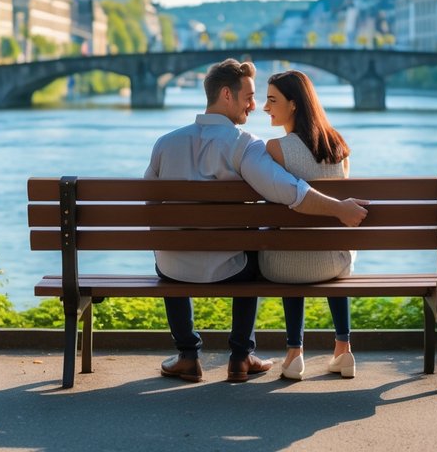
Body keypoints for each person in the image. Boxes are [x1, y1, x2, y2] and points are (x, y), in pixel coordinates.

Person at [145, 59, 368, 384]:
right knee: (250, 254)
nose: (255, 106)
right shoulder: (243, 145)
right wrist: (338, 209)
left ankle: (187, 355)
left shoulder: (165, 143)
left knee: (167, 252)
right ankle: (240, 357)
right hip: (228, 267)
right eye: (249, 96)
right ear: (226, 95)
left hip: (173, 268)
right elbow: (287, 190)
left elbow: (150, 205)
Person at [260, 69, 357, 381]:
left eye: (272, 100)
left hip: (284, 267)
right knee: (332, 243)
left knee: (290, 243)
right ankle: (344, 350)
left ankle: (294, 355)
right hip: (333, 264)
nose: (265, 107)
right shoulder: (339, 146)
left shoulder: (275, 149)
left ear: (294, 104)